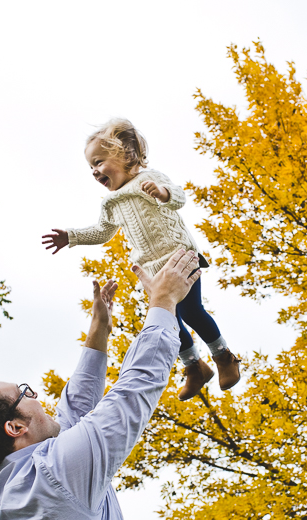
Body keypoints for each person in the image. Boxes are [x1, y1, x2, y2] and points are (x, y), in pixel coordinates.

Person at [0, 250, 201, 520]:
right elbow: (133, 391)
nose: (34, 393)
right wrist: (164, 300)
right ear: (15, 428)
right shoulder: (56, 476)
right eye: (24, 393)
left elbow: (70, 421)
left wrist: (98, 332)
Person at [41, 118, 240, 400]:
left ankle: (223, 358)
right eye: (91, 167)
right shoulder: (110, 203)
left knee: (192, 311)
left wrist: (162, 194)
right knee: (168, 320)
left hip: (180, 257)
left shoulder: (149, 179)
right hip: (154, 271)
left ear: (124, 155)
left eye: (99, 162)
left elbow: (180, 197)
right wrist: (71, 237)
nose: (95, 171)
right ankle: (195, 368)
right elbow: (102, 232)